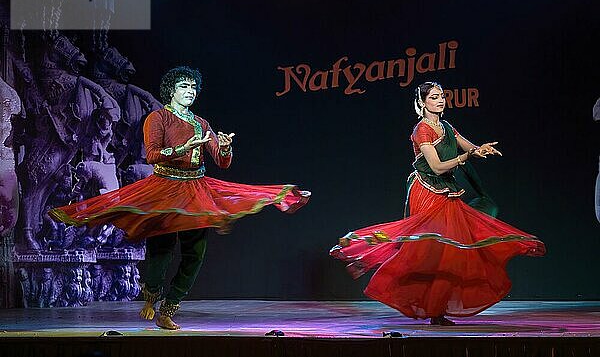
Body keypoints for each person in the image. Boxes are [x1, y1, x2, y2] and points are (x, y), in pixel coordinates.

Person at [50, 66, 310, 329]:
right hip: (164, 187)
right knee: (161, 250)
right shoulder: (158, 118)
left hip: (196, 190)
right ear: (171, 91)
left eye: (193, 88)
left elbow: (221, 161)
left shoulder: (201, 123)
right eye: (184, 87)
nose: (190, 92)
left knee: (195, 253)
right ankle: (151, 293)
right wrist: (183, 148)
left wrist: (225, 148)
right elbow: (151, 155)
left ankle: (169, 307)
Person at [330, 82, 545, 326]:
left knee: (450, 249)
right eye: (434, 97)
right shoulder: (421, 130)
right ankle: (407, 292)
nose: (440, 100)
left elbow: (467, 146)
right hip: (426, 190)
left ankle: (436, 309)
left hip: (447, 190)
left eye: (442, 96)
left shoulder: (446, 127)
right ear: (423, 102)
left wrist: (478, 149)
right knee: (427, 249)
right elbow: (437, 166)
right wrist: (466, 157)